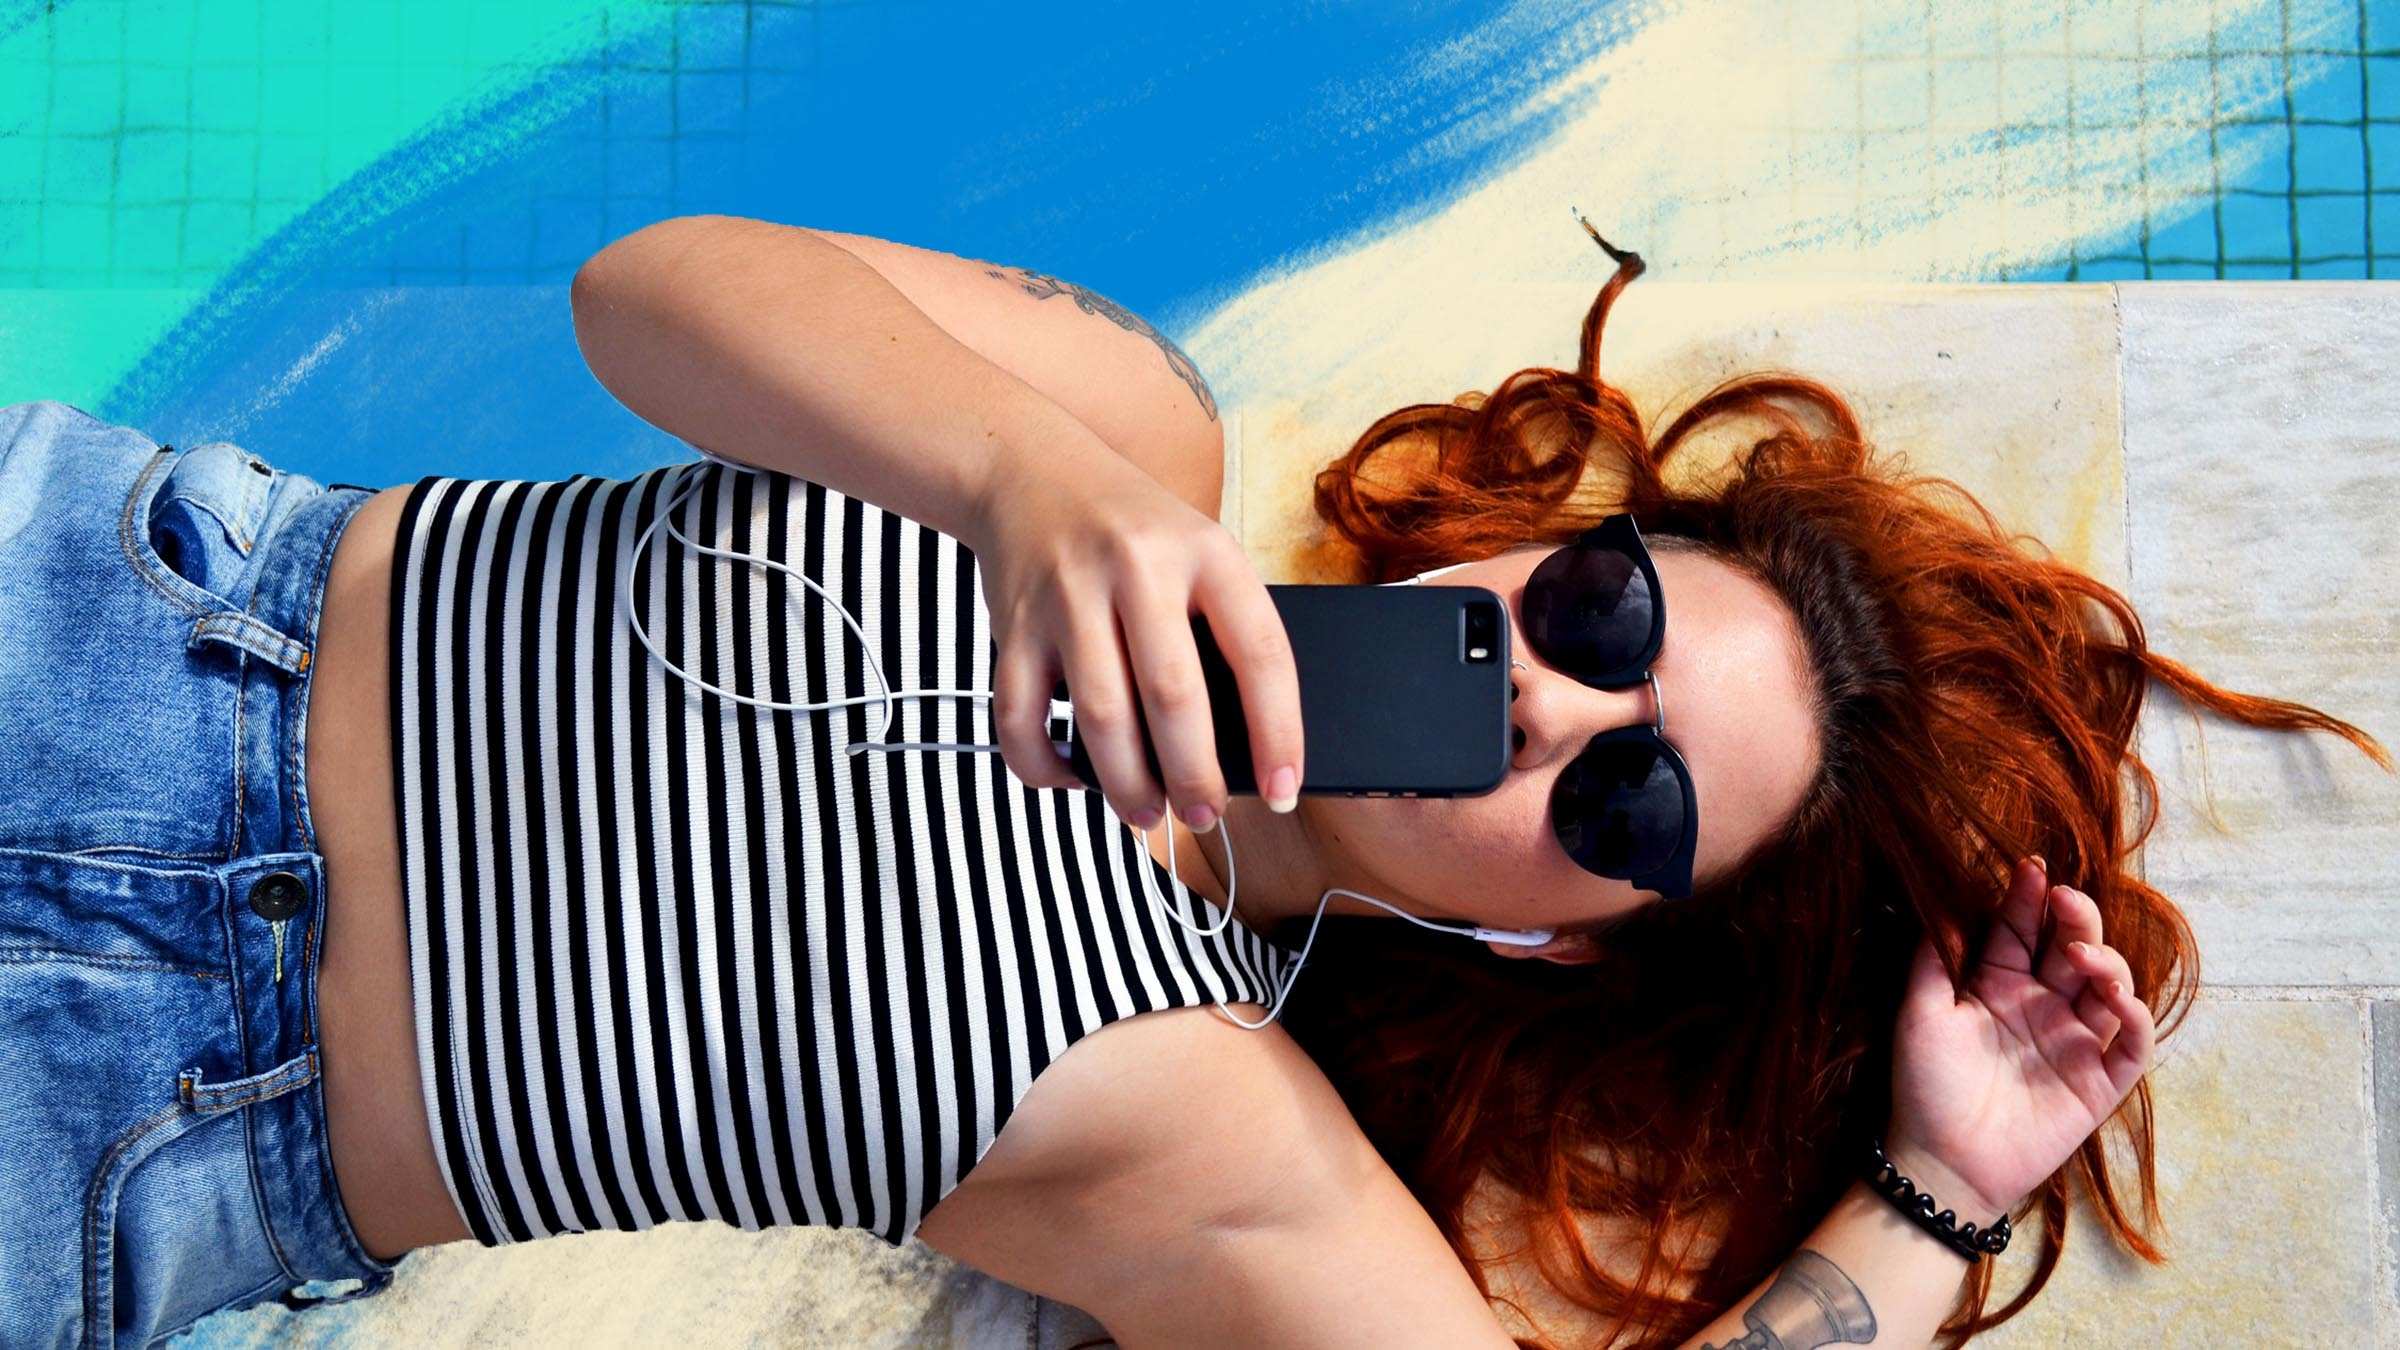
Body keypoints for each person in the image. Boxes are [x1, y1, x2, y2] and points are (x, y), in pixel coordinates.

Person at [1, 214, 2383, 1350]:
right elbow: (645, 293)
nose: (1562, 708)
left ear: (1566, 931)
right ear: (1555, 537)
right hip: (118, 621)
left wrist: (1927, 1197)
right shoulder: (1124, 430)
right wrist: (1031, 487)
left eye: (1634, 810)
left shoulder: (1222, 1131)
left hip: (134, 1126)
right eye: (1613, 618)